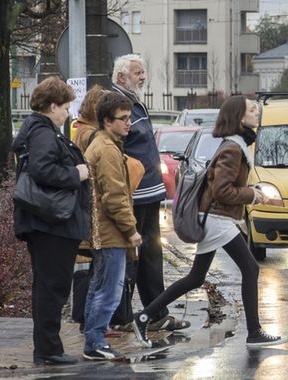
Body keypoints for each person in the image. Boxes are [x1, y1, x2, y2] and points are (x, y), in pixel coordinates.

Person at [132, 95, 288, 348]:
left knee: (195, 277)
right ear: (239, 118)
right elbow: (221, 191)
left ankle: (144, 316)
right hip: (218, 219)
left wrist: (251, 189)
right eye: (252, 110)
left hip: (216, 218)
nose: (257, 113)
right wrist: (251, 194)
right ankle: (254, 333)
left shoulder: (235, 145)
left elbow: (226, 186)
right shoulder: (233, 149)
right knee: (250, 269)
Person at [12, 77, 91, 365]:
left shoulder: (39, 129)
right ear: (53, 105)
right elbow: (43, 169)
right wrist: (76, 174)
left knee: (48, 285)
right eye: (66, 106)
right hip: (51, 224)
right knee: (52, 286)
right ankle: (48, 350)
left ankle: (48, 348)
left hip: (47, 222)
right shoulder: (44, 132)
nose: (68, 112)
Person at [111, 54, 189, 331]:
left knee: (151, 257)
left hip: (150, 193)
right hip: (134, 196)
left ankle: (155, 313)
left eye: (143, 72)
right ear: (121, 77)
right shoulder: (118, 105)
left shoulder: (135, 103)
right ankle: (120, 319)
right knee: (132, 258)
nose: (143, 77)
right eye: (138, 73)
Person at [81, 92, 143, 361]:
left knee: (99, 286)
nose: (129, 123)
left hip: (103, 231)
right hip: (109, 232)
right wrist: (131, 230)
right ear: (107, 120)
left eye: (130, 118)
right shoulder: (106, 149)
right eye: (123, 119)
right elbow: (115, 196)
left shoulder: (105, 144)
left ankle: (93, 339)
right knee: (109, 289)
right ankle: (95, 341)